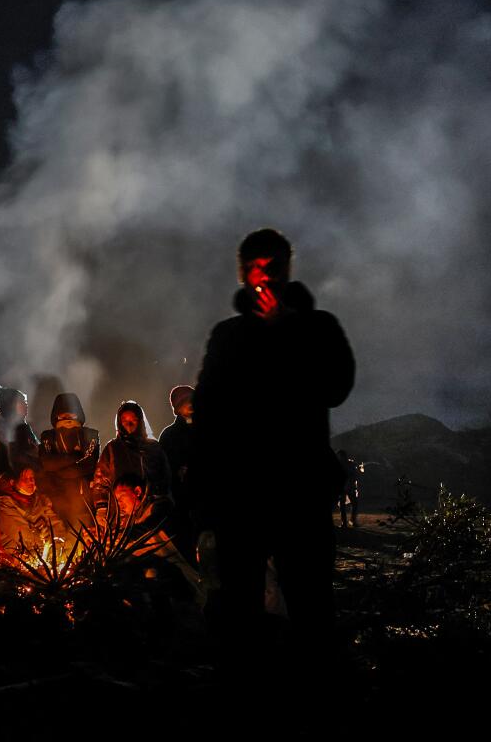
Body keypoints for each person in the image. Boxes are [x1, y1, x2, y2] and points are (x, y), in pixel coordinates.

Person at [191, 228, 355, 672]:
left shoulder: (318, 328)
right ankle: (249, 690)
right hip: (240, 498)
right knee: (241, 611)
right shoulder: (227, 336)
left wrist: (287, 329)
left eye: (274, 267)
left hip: (300, 493)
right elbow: (206, 416)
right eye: (256, 269)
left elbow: (337, 387)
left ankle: (314, 687)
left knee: (311, 605)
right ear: (243, 274)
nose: (266, 277)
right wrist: (204, 500)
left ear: (288, 269)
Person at [92, 400, 172, 523]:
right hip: (121, 515)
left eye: (133, 420)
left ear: (140, 421)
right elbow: (100, 481)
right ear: (119, 422)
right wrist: (102, 507)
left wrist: (159, 502)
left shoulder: (154, 448)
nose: (129, 424)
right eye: (124, 420)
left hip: (151, 513)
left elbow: (165, 478)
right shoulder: (113, 449)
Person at [37, 392, 100, 527]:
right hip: (56, 500)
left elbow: (89, 464)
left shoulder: (90, 435)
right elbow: (47, 463)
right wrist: (75, 456)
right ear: (56, 415)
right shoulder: (48, 436)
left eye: (71, 414)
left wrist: (59, 470)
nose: (67, 419)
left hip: (83, 501)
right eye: (63, 415)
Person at [159, 385, 197, 557]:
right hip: (184, 505)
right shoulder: (169, 436)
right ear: (176, 408)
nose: (190, 404)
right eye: (184, 402)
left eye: (192, 399)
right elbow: (165, 471)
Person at [0, 462, 59, 557]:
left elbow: (55, 523)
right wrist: (47, 547)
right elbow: (21, 534)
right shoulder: (4, 504)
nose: (31, 481)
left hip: (42, 551)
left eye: (32, 477)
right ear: (12, 482)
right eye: (25, 479)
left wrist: (63, 543)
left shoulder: (39, 499)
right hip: (16, 556)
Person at [0, 385, 39, 464]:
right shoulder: (4, 429)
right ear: (11, 405)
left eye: (25, 401)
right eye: (22, 402)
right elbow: (14, 457)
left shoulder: (24, 427)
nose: (26, 405)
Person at [336, 449, 361, 529]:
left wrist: (352, 484)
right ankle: (345, 523)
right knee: (343, 505)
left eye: (340, 456)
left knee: (354, 504)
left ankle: (351, 521)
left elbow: (354, 475)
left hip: (349, 486)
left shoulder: (350, 464)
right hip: (343, 487)